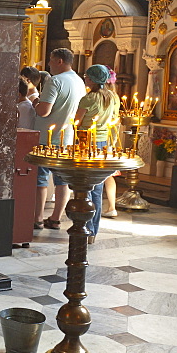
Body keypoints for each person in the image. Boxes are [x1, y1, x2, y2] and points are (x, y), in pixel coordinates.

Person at [33, 48, 85, 230]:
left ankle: (38, 218)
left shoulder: (55, 81)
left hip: (46, 138)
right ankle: (55, 218)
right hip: (67, 138)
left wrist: (35, 103)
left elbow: (44, 111)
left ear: (60, 61)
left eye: (51, 60)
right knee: (62, 181)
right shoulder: (79, 81)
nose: (49, 64)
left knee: (40, 180)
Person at [74, 64, 120, 242]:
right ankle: (93, 232)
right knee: (97, 188)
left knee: (85, 186)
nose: (85, 78)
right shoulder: (112, 97)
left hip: (87, 143)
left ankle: (85, 227)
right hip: (105, 144)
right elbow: (115, 120)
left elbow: (77, 122)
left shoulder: (89, 98)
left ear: (92, 79)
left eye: (86, 76)